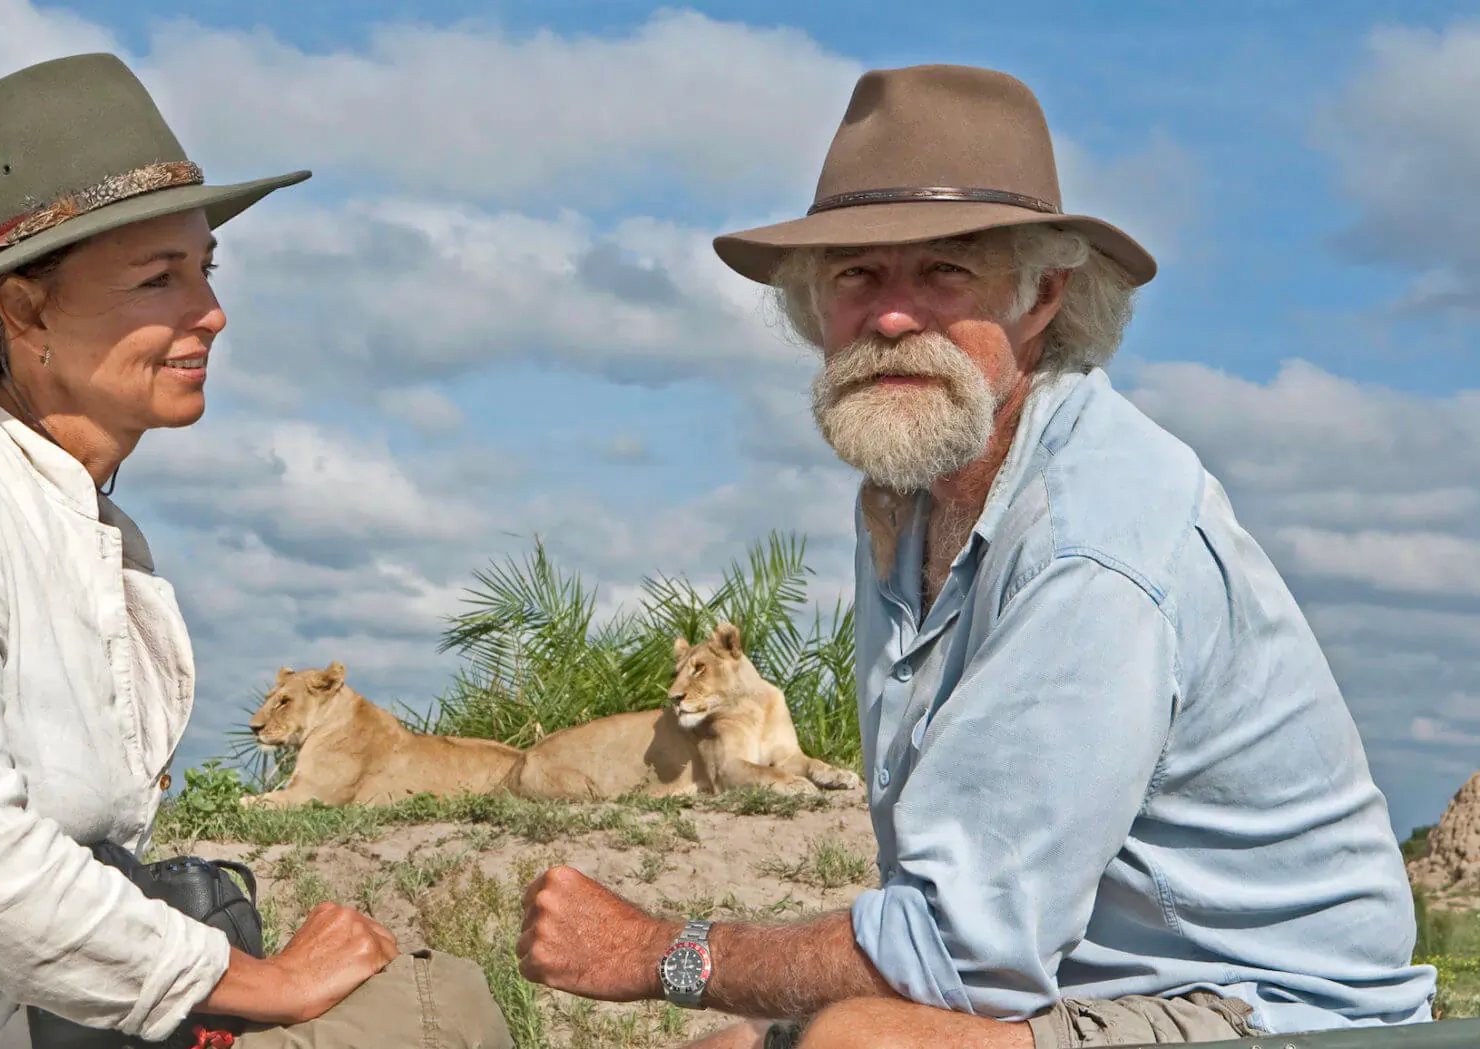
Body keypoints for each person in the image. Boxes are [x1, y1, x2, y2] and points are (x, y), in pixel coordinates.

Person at [514, 64, 1437, 1049]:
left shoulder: (1091, 541)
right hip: (1088, 991)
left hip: (1276, 1010)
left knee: (862, 1041)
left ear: (1043, 296)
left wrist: (662, 952)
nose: (893, 315)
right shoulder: (907, 496)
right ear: (813, 308)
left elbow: (958, 953)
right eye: (855, 275)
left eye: (946, 271)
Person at [0, 54, 510, 1049]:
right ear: (26, 310)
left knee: (427, 990)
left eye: (206, 270)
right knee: (433, 1015)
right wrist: (253, 981)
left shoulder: (93, 530)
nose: (211, 313)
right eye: (160, 278)